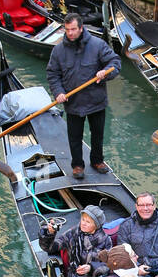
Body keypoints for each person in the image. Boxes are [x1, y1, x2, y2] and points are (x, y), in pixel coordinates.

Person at [46, 12, 121, 180]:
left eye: (73, 29)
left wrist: (105, 72)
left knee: (98, 134)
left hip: (96, 100)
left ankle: (97, 161)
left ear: (81, 28)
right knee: (74, 136)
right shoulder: (58, 51)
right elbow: (53, 74)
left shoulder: (97, 45)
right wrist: (58, 92)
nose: (70, 33)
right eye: (67, 30)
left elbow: (115, 63)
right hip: (73, 102)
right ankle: (78, 165)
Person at [39, 205, 111, 277]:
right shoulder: (74, 233)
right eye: (83, 219)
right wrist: (49, 233)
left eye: (88, 221)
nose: (83, 223)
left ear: (97, 225)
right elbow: (51, 247)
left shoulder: (105, 240)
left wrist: (91, 268)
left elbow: (108, 264)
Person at [114, 193, 158, 276]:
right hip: (137, 269)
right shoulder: (126, 225)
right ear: (136, 206)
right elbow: (123, 252)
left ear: (154, 206)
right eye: (141, 205)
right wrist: (136, 269)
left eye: (148, 205)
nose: (145, 208)